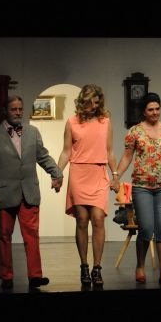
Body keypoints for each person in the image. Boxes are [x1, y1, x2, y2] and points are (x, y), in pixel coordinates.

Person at [0, 96, 63, 290]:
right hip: (4, 193)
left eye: (20, 109)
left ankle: (35, 276)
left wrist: (57, 173)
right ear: (5, 111)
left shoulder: (32, 132)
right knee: (4, 236)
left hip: (29, 192)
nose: (18, 112)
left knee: (32, 235)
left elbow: (43, 156)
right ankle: (6, 276)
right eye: (13, 109)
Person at [114, 93, 161, 285]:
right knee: (146, 228)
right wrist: (116, 176)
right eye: (150, 109)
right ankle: (140, 266)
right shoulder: (135, 131)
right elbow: (127, 156)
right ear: (144, 112)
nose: (154, 112)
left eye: (157, 109)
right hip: (142, 186)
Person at [57, 84, 117, 287]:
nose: (93, 106)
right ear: (83, 101)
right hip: (79, 173)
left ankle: (97, 267)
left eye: (96, 102)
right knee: (82, 220)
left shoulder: (105, 122)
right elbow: (66, 151)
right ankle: (84, 265)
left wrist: (115, 175)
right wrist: (57, 173)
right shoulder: (72, 122)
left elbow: (110, 151)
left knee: (98, 218)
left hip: (98, 172)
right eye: (90, 102)